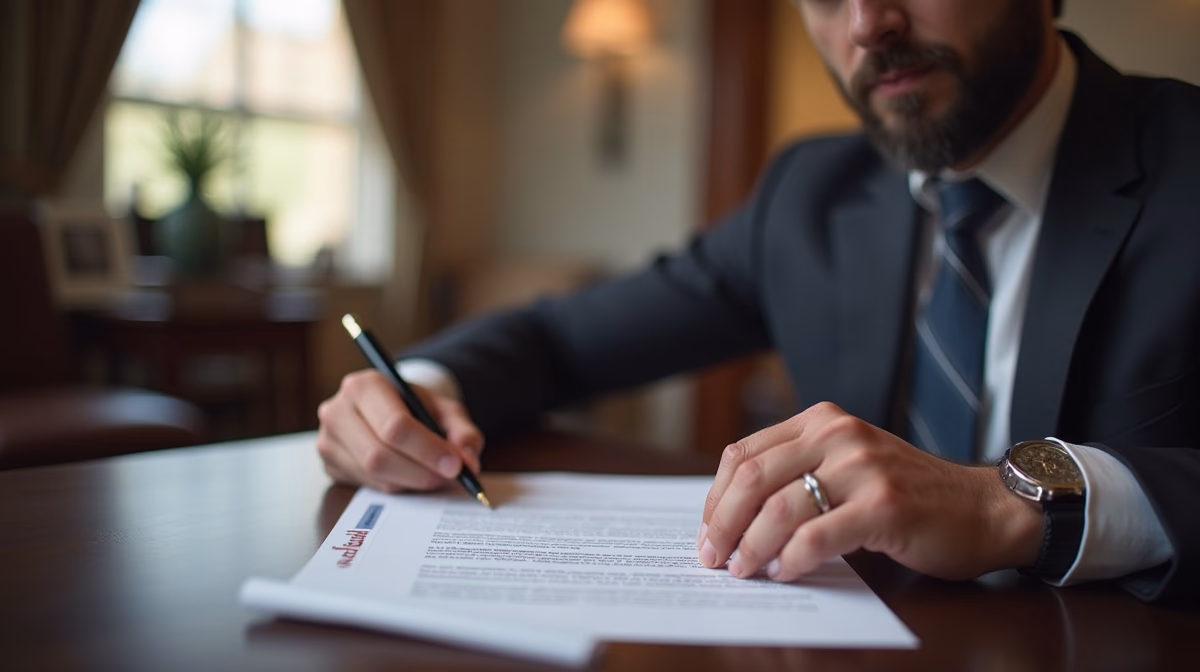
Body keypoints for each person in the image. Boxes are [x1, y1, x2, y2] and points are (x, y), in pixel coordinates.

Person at [317, 0, 1200, 605]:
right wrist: (419, 386)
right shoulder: (810, 194)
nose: (867, 25)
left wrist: (1007, 506)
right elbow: (560, 339)